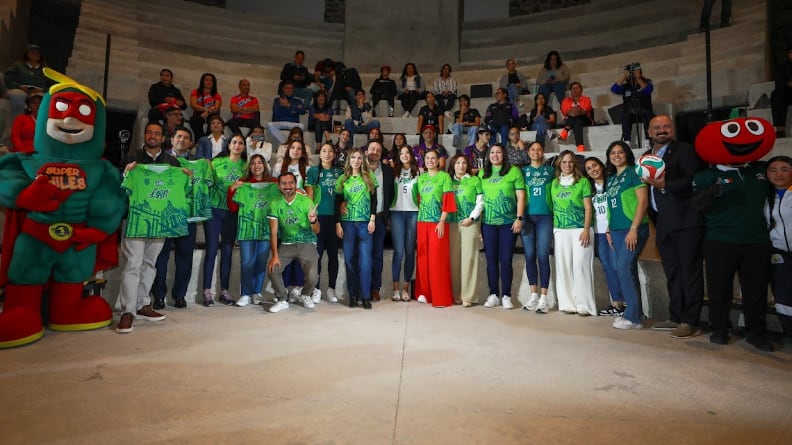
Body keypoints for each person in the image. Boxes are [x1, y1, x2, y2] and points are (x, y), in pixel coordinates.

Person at [692, 140, 774, 352]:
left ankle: (757, 332)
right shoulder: (705, 176)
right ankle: (719, 329)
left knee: (756, 290)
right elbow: (696, 206)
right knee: (719, 289)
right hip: (720, 241)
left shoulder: (762, 170)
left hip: (757, 241)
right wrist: (708, 193)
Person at [116, 122, 186, 333]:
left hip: (161, 221)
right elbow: (121, 186)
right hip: (136, 219)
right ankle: (128, 311)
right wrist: (126, 174)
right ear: (144, 135)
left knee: (150, 264)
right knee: (133, 264)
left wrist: (186, 178)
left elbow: (180, 190)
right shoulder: (131, 158)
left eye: (157, 133)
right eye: (149, 132)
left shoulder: (172, 162)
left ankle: (143, 304)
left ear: (163, 137)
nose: (153, 136)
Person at [643, 115, 705, 338]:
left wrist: (664, 185)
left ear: (672, 129)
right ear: (649, 132)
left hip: (687, 223)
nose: (661, 130)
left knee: (690, 272)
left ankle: (691, 320)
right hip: (663, 224)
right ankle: (676, 315)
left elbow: (693, 181)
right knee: (673, 273)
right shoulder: (646, 157)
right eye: (656, 128)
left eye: (666, 126)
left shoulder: (685, 151)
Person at [152, 126, 209, 309]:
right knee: (161, 257)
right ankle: (159, 296)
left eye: (186, 138)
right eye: (179, 136)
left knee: (185, 257)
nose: (182, 140)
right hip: (164, 214)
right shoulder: (160, 158)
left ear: (191, 143)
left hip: (188, 216)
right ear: (172, 138)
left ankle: (180, 295)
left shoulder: (198, 163)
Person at [605, 141, 650, 329]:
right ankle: (636, 315)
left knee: (623, 268)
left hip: (633, 229)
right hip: (616, 229)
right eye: (613, 153)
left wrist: (633, 229)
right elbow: (611, 206)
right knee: (626, 269)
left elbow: (643, 202)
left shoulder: (634, 172)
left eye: (620, 152)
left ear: (627, 154)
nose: (617, 155)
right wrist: (608, 228)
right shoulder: (611, 178)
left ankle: (631, 317)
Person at [202, 133, 247, 306]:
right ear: (228, 145)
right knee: (212, 250)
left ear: (244, 147)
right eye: (234, 142)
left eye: (240, 143)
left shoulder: (246, 166)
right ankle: (207, 291)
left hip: (233, 212)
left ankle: (224, 291)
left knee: (227, 251)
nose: (237, 145)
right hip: (214, 210)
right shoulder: (216, 163)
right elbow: (206, 182)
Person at [548, 150, 595, 316]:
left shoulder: (582, 182)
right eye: (564, 162)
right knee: (563, 267)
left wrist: (586, 229)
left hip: (581, 229)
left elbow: (589, 207)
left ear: (575, 164)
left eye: (570, 162)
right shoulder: (554, 183)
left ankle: (584, 304)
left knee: (580, 266)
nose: (567, 165)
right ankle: (567, 303)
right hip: (560, 230)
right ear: (559, 164)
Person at [479, 144, 525, 310]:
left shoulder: (514, 171)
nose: (495, 155)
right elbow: (479, 201)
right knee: (491, 260)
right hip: (488, 224)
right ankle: (493, 295)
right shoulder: (482, 174)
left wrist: (519, 218)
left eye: (498, 152)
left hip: (508, 224)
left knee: (505, 260)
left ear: (504, 155)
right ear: (488, 155)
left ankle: (506, 295)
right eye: (492, 152)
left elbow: (521, 197)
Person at [228, 153, 278, 307]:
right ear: (250, 166)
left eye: (260, 163)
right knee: (247, 262)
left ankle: (257, 292)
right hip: (246, 229)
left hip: (265, 229)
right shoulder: (243, 184)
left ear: (265, 165)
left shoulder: (273, 184)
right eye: (253, 163)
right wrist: (232, 190)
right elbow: (233, 207)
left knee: (261, 261)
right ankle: (245, 293)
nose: (257, 166)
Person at [267, 172, 322, 313]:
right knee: (273, 269)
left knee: (312, 275)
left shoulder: (306, 201)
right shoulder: (275, 204)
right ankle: (282, 299)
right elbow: (273, 232)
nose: (288, 186)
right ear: (279, 186)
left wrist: (313, 221)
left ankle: (306, 295)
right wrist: (275, 256)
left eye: (291, 183)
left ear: (295, 184)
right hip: (287, 244)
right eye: (284, 183)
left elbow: (316, 230)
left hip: (307, 242)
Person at [335, 150, 377, 309]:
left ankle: (365, 296)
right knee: (349, 260)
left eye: (359, 157)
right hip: (347, 224)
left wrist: (372, 218)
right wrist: (338, 223)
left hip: (365, 223)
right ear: (348, 160)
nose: (356, 160)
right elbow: (337, 202)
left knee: (366, 262)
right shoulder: (342, 179)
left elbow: (374, 199)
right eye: (353, 157)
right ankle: (353, 295)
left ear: (363, 160)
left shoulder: (369, 176)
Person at [414, 149, 456, 307]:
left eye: (433, 158)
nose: (430, 160)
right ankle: (424, 292)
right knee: (423, 259)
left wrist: (442, 221)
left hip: (437, 223)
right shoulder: (421, 178)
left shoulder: (444, 177)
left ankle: (440, 297)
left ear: (438, 161)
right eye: (427, 158)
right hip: (421, 222)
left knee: (437, 258)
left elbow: (447, 200)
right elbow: (418, 200)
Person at [583, 157, 625, 316]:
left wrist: (610, 227)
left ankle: (627, 303)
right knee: (608, 268)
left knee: (617, 267)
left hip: (613, 230)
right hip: (598, 233)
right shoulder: (590, 188)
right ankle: (616, 304)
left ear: (601, 166)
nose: (593, 170)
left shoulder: (612, 182)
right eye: (588, 168)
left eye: (595, 166)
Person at [306, 143, 343, 304]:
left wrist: (339, 219)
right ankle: (317, 289)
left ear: (334, 154)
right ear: (319, 154)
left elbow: (343, 197)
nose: (327, 154)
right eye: (323, 151)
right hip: (319, 219)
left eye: (330, 151)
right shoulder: (314, 171)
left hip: (334, 220)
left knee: (333, 255)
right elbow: (309, 195)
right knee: (317, 256)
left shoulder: (339, 172)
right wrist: (311, 216)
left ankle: (331, 289)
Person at [520, 142, 555, 313]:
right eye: (532, 149)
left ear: (543, 152)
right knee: (530, 255)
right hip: (527, 217)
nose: (536, 152)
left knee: (542, 255)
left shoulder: (550, 171)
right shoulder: (523, 171)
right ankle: (533, 295)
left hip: (545, 217)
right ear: (528, 152)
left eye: (539, 149)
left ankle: (544, 298)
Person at [448, 154, 484, 306]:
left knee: (469, 259)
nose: (461, 166)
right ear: (453, 165)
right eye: (457, 163)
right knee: (454, 260)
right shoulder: (448, 181)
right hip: (452, 223)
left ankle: (467, 296)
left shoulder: (475, 180)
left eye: (464, 163)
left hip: (470, 223)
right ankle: (456, 294)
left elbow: (480, 202)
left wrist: (472, 218)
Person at [765, 155, 792, 338]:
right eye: (773, 170)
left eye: (784, 169)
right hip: (779, 253)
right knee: (783, 296)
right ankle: (789, 332)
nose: (779, 174)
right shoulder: (765, 196)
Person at [390, 145, 419, 302]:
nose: (405, 155)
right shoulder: (394, 171)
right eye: (402, 153)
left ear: (411, 155)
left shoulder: (419, 172)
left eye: (407, 153)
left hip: (413, 213)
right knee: (398, 251)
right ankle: (395, 288)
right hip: (397, 214)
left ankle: (406, 288)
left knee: (409, 252)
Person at [366, 140, 394, 301]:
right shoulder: (360, 169)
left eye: (378, 150)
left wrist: (388, 216)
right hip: (361, 219)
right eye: (372, 149)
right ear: (366, 151)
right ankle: (362, 286)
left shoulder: (388, 171)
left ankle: (375, 288)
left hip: (380, 218)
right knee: (363, 254)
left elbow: (390, 194)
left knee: (377, 254)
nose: (374, 152)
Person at [3, 44, 53, 118]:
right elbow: (8, 80)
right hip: (19, 89)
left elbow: (53, 85)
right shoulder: (17, 65)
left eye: (37, 52)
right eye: (32, 52)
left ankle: (36, 124)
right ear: (27, 54)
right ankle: (18, 121)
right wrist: (20, 87)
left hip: (39, 91)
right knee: (18, 96)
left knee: (40, 99)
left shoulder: (45, 69)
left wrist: (42, 89)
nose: (35, 54)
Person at [611, 65, 654, 145]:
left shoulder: (646, 81)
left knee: (648, 114)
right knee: (625, 116)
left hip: (644, 109)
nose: (632, 74)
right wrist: (624, 76)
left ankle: (648, 141)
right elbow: (614, 89)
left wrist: (638, 78)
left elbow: (648, 90)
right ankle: (627, 142)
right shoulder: (625, 86)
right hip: (630, 112)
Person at [268, 80, 307, 146]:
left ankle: (289, 143)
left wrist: (289, 105)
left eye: (291, 88)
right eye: (287, 88)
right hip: (280, 122)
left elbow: (303, 111)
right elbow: (277, 113)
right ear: (283, 89)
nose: (289, 90)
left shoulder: (297, 101)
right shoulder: (277, 100)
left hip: (293, 124)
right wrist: (294, 109)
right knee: (270, 124)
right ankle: (284, 143)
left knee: (302, 126)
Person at [558, 82, 593, 152]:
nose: (575, 90)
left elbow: (587, 108)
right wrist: (571, 112)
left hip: (585, 119)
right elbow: (564, 111)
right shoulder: (565, 101)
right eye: (573, 88)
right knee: (578, 122)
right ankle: (580, 147)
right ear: (570, 90)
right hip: (573, 119)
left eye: (577, 88)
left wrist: (578, 111)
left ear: (581, 90)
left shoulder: (586, 99)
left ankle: (566, 130)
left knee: (578, 117)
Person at [188, 73, 222, 138]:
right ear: (202, 81)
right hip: (198, 113)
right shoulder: (195, 92)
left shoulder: (216, 95)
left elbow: (216, 108)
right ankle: (200, 139)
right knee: (194, 120)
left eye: (211, 80)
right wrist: (206, 110)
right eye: (206, 80)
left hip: (211, 114)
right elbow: (194, 105)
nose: (209, 82)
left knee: (214, 121)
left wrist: (208, 112)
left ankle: (207, 139)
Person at [771, 45, 792, 138]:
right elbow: (779, 83)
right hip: (788, 93)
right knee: (777, 94)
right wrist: (788, 84)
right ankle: (780, 129)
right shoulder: (782, 66)